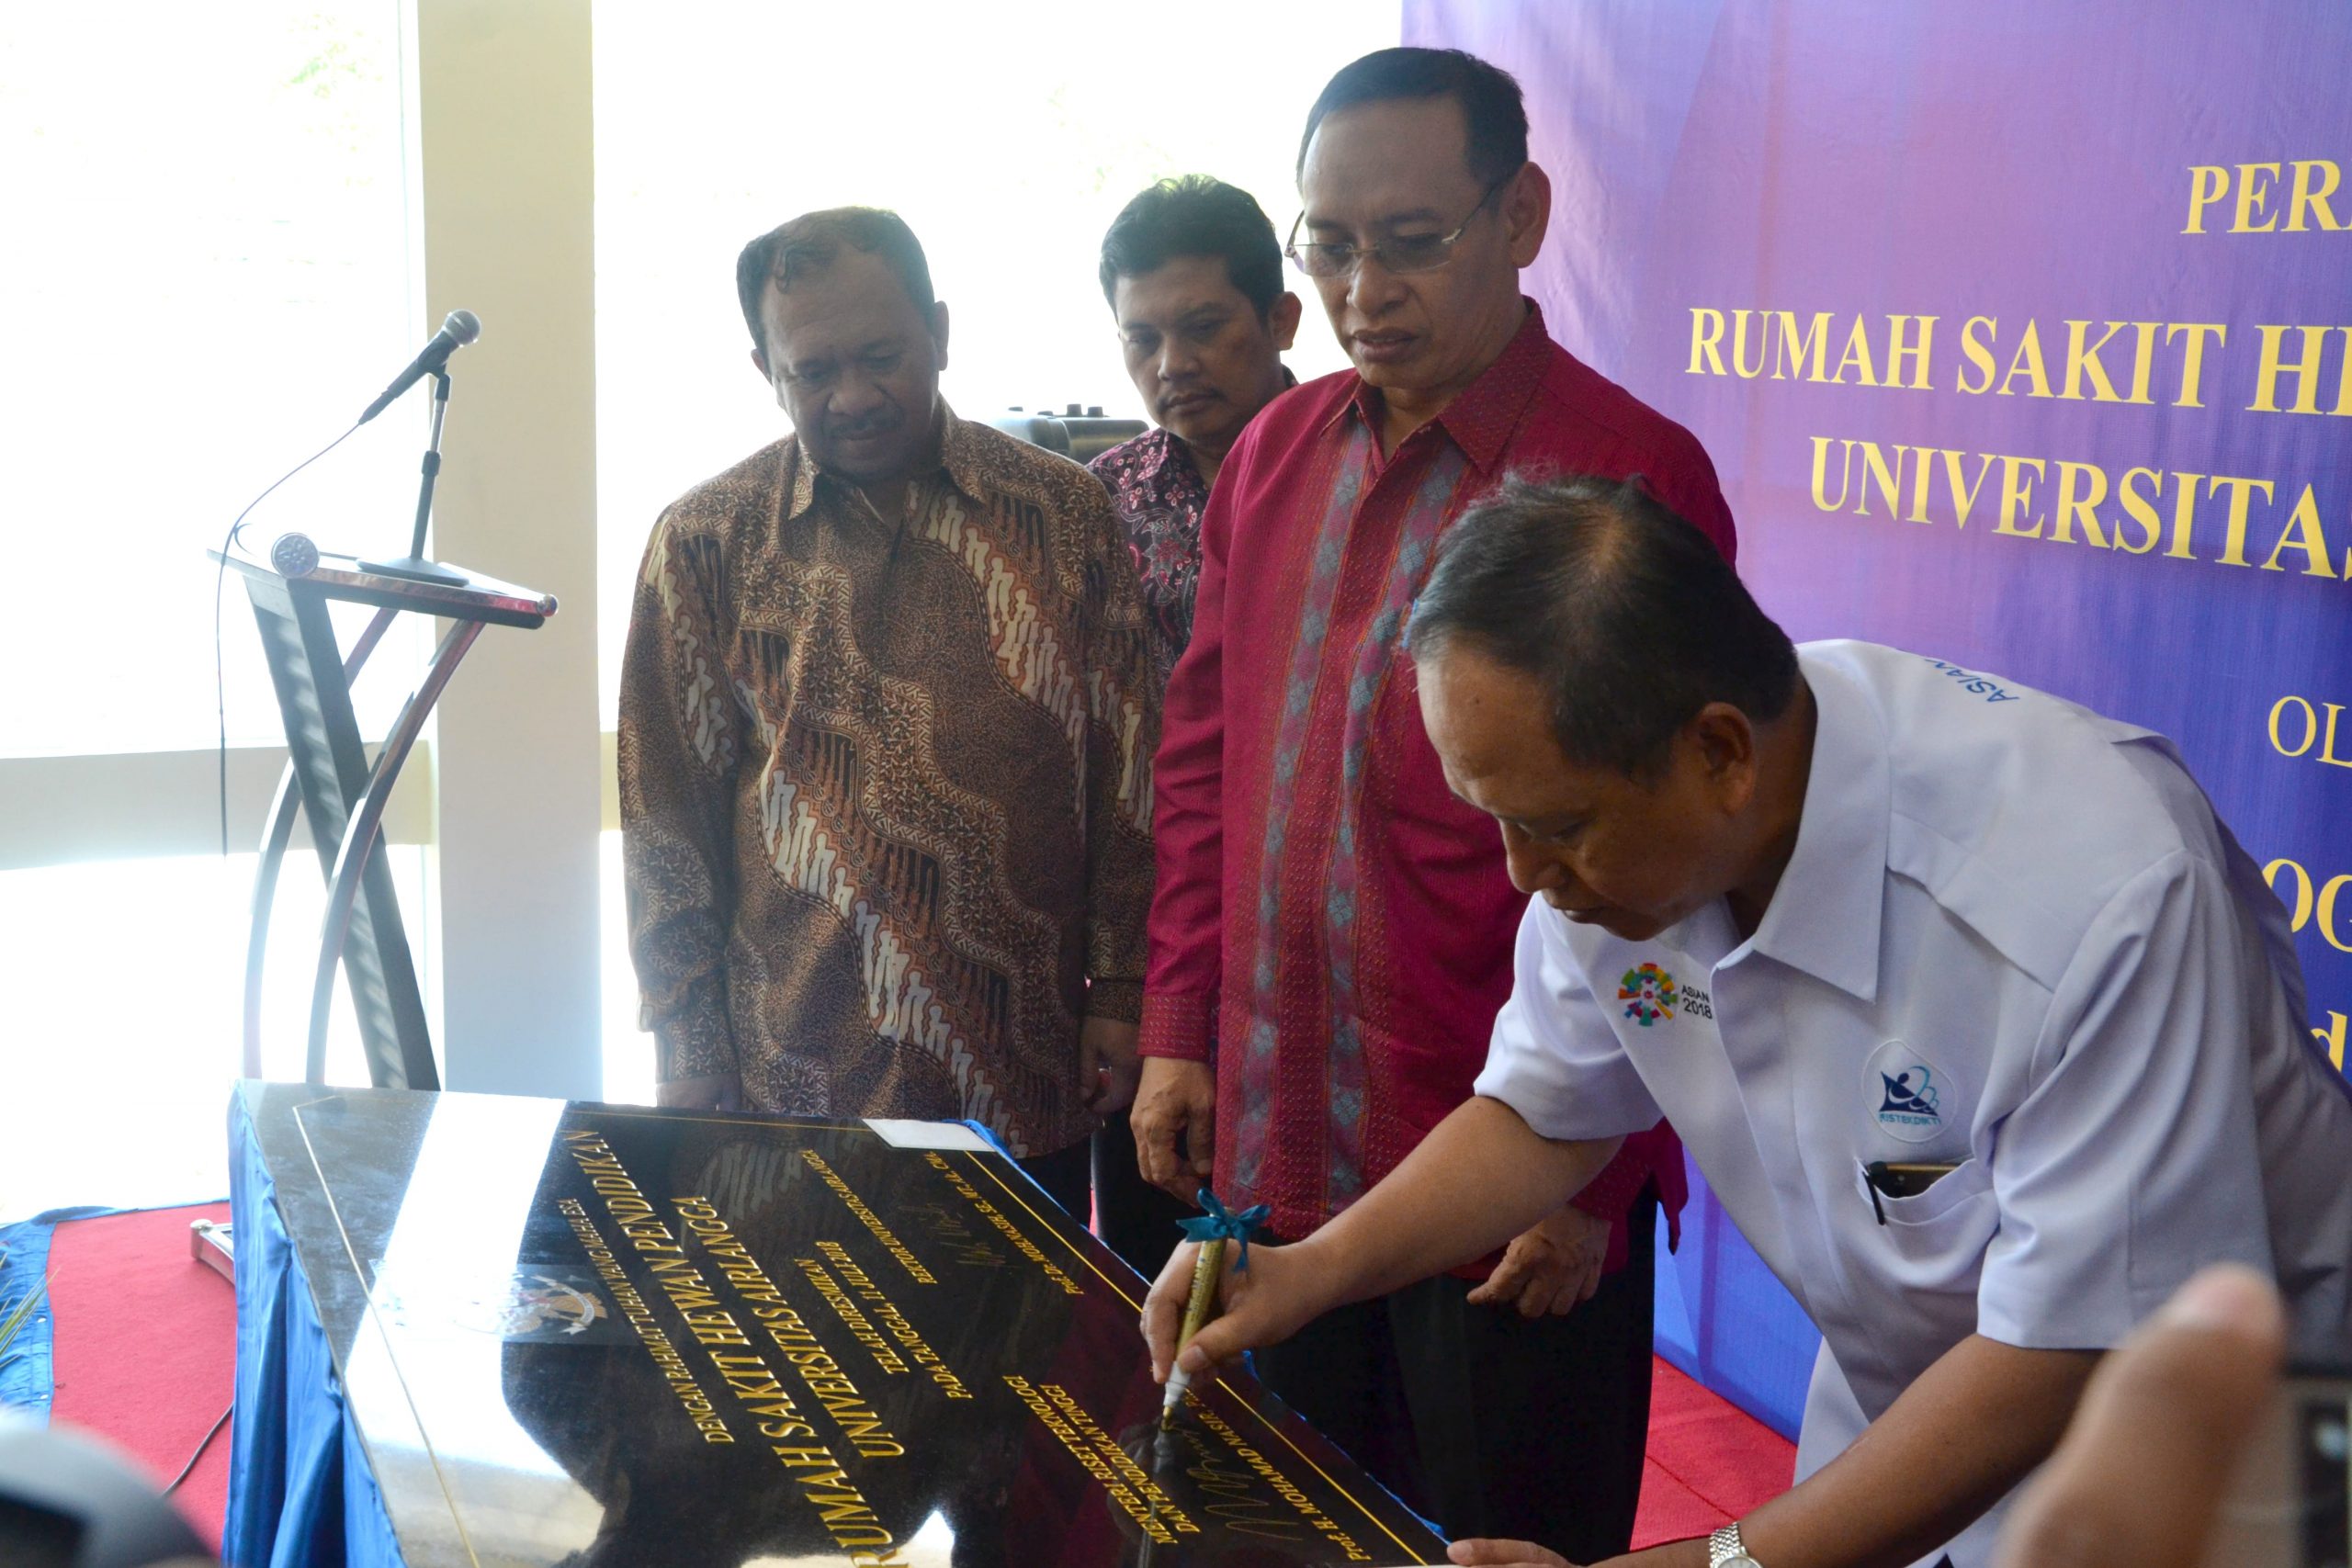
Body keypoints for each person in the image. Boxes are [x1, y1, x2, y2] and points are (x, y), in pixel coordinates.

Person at [1144, 473, 2352, 1568]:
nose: (1522, 874)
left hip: (2210, 1452)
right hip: (1912, 1414)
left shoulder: (2092, 893)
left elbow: (2072, 1343)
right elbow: (1546, 1111)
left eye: (1553, 828)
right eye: (1495, 821)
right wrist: (1308, 1270)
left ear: (1720, 752)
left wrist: (1713, 1564)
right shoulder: (1624, 818)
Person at [1130, 49, 1736, 1561]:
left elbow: (1686, 863)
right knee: (1292, 1525)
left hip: (1508, 1177)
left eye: (1410, 242)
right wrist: (1179, 1023)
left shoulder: (1627, 477)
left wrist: (1600, 1172)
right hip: (1277, 1143)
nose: (1362, 292)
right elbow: (1203, 755)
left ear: (1520, 215)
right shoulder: (1273, 455)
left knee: (1502, 1535)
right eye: (1327, 247)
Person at [618, 208, 1160, 1217]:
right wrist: (687, 1045)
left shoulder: (1065, 514)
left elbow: (1129, 777)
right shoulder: (704, 540)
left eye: (882, 358)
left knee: (1019, 1317)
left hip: (1024, 1069)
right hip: (797, 1075)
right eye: (813, 372)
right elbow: (664, 816)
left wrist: (1125, 992)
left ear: (940, 333)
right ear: (765, 370)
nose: (855, 397)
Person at [1087, 175, 1304, 1278]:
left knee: (1298, 1271)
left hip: (1307, 929)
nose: (1171, 363)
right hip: (1151, 939)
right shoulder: (1098, 504)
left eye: (1205, 327)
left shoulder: (1357, 469)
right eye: (1143, 338)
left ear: (1281, 318)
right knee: (1146, 1265)